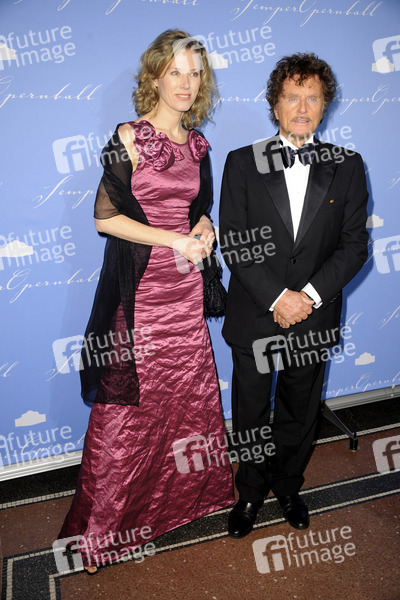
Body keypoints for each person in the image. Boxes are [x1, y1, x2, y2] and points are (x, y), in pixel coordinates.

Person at [58, 29, 234, 573]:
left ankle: (186, 503)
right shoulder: (129, 136)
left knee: (187, 399)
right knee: (126, 413)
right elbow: (104, 219)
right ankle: (101, 534)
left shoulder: (197, 144)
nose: (186, 83)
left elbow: (196, 209)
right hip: (140, 296)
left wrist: (203, 229)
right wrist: (174, 240)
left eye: (195, 73)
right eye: (176, 71)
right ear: (155, 77)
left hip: (185, 293)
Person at [219, 53, 368, 538]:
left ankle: (287, 487)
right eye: (292, 97)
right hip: (256, 311)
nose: (302, 108)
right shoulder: (242, 162)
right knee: (250, 411)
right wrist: (277, 298)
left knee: (300, 410)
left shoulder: (347, 166)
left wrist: (307, 296)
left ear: (325, 106)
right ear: (274, 105)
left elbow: (354, 246)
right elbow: (235, 242)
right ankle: (249, 493)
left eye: (313, 98)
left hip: (314, 314)